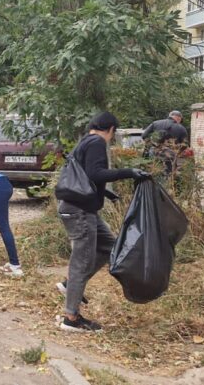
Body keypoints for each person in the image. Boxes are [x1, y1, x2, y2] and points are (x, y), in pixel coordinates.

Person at [57, 112, 150, 333]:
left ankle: (70, 286)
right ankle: (71, 318)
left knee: (111, 247)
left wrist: (106, 194)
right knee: (81, 261)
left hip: (83, 209)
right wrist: (129, 172)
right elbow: (96, 173)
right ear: (110, 129)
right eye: (113, 133)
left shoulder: (85, 141)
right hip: (80, 212)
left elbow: (84, 177)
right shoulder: (97, 142)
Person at [141, 110, 189, 175]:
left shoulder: (155, 123)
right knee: (169, 174)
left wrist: (153, 145)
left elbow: (144, 136)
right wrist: (177, 152)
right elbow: (185, 144)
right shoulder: (181, 128)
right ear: (178, 118)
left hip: (153, 153)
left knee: (152, 172)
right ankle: (167, 183)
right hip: (170, 156)